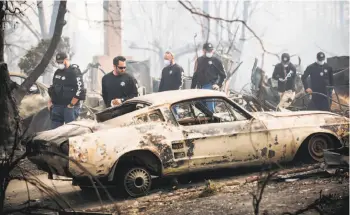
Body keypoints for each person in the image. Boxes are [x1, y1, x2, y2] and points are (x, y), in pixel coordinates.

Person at [48, 52, 86, 129]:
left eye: (61, 62)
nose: (60, 64)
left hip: (69, 108)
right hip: (57, 107)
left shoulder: (74, 72)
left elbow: (80, 90)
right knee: (54, 132)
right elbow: (53, 88)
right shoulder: (57, 72)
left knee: (70, 131)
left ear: (66, 60)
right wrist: (50, 101)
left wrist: (71, 105)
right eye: (58, 62)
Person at [191, 42, 226, 112]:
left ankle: (212, 121)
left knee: (210, 108)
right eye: (208, 50)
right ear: (203, 50)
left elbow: (223, 75)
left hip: (210, 86)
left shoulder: (216, 61)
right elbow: (195, 75)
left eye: (211, 50)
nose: (210, 52)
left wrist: (218, 84)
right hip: (199, 87)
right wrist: (192, 88)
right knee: (200, 108)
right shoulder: (199, 60)